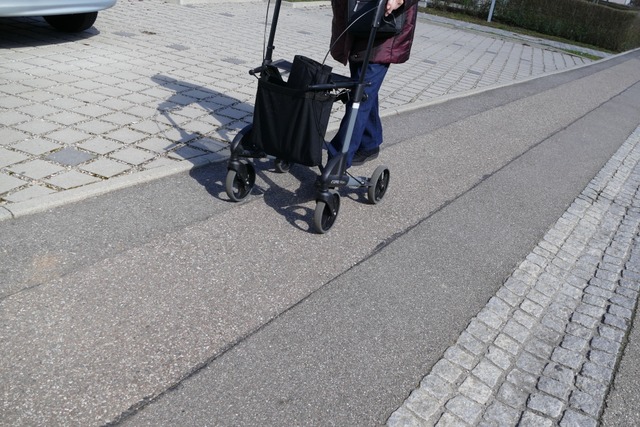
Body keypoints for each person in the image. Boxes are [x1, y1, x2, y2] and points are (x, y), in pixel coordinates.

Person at [328, 0, 419, 167]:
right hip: (356, 21)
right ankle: (370, 141)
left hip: (382, 29)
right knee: (363, 90)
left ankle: (336, 164)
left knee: (359, 97)